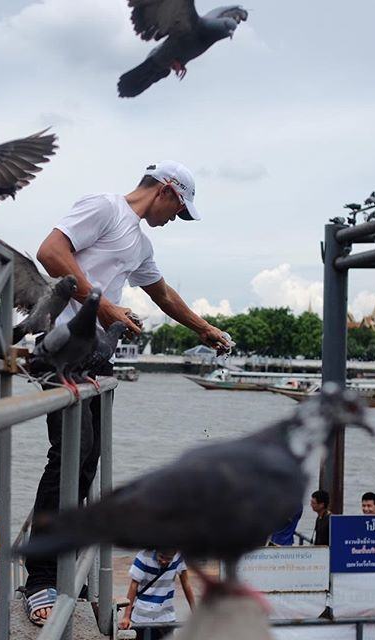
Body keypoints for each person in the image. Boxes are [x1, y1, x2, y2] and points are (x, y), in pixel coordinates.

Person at [23, 161, 232, 625]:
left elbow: (163, 294)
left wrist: (206, 329)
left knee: (87, 459)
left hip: (96, 359)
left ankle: (59, 564)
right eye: (179, 209)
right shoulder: (105, 208)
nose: (176, 219)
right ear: (166, 191)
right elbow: (49, 251)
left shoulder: (140, 242)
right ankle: (38, 578)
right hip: (61, 349)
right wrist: (105, 306)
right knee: (68, 459)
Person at [119, 549, 195, 639]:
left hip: (165, 615)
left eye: (168, 559)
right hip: (142, 615)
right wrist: (126, 616)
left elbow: (186, 584)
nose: (164, 561)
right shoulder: (144, 556)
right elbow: (133, 586)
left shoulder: (178, 558)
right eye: (161, 557)